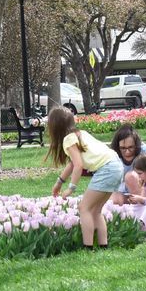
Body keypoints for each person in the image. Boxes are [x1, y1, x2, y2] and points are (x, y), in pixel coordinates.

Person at [46, 107, 124, 250]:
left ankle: (88, 247)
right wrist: (59, 182)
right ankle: (103, 246)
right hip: (116, 166)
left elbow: (78, 165)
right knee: (96, 210)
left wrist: (71, 188)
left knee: (84, 208)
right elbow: (72, 163)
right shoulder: (80, 134)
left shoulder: (68, 139)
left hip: (106, 169)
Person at [110, 124, 146, 205]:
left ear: (136, 145)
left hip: (143, 189)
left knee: (131, 176)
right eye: (123, 148)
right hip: (122, 190)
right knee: (113, 201)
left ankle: (140, 206)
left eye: (131, 147)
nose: (127, 152)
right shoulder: (113, 155)